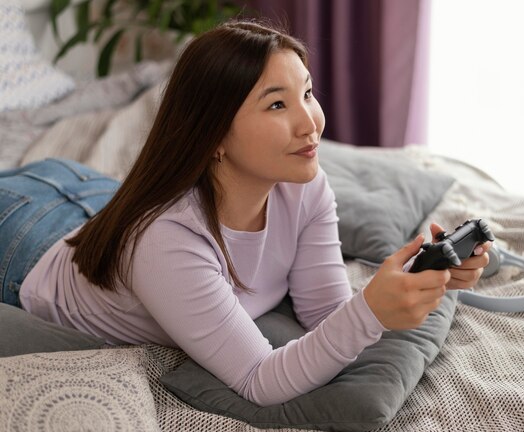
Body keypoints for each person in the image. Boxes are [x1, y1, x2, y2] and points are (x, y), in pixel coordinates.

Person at [0, 20, 490, 407]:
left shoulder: (305, 187)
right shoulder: (166, 241)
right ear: (213, 134)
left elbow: (324, 315)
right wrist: (372, 311)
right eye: (277, 105)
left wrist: (421, 277)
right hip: (24, 238)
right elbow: (260, 379)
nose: (310, 122)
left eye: (306, 93)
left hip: (92, 200)